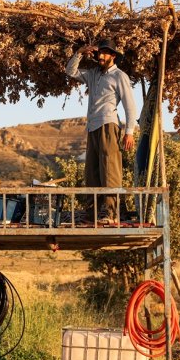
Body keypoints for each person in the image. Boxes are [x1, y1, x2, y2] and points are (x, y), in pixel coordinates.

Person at [64, 38, 139, 224]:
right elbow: (70, 71)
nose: (101, 56)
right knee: (92, 170)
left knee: (110, 169)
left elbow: (130, 106)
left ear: (113, 56)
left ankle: (111, 214)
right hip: (92, 126)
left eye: (105, 53)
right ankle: (92, 213)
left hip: (109, 124)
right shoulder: (93, 74)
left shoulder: (119, 76)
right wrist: (80, 52)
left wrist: (129, 132)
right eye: (99, 53)